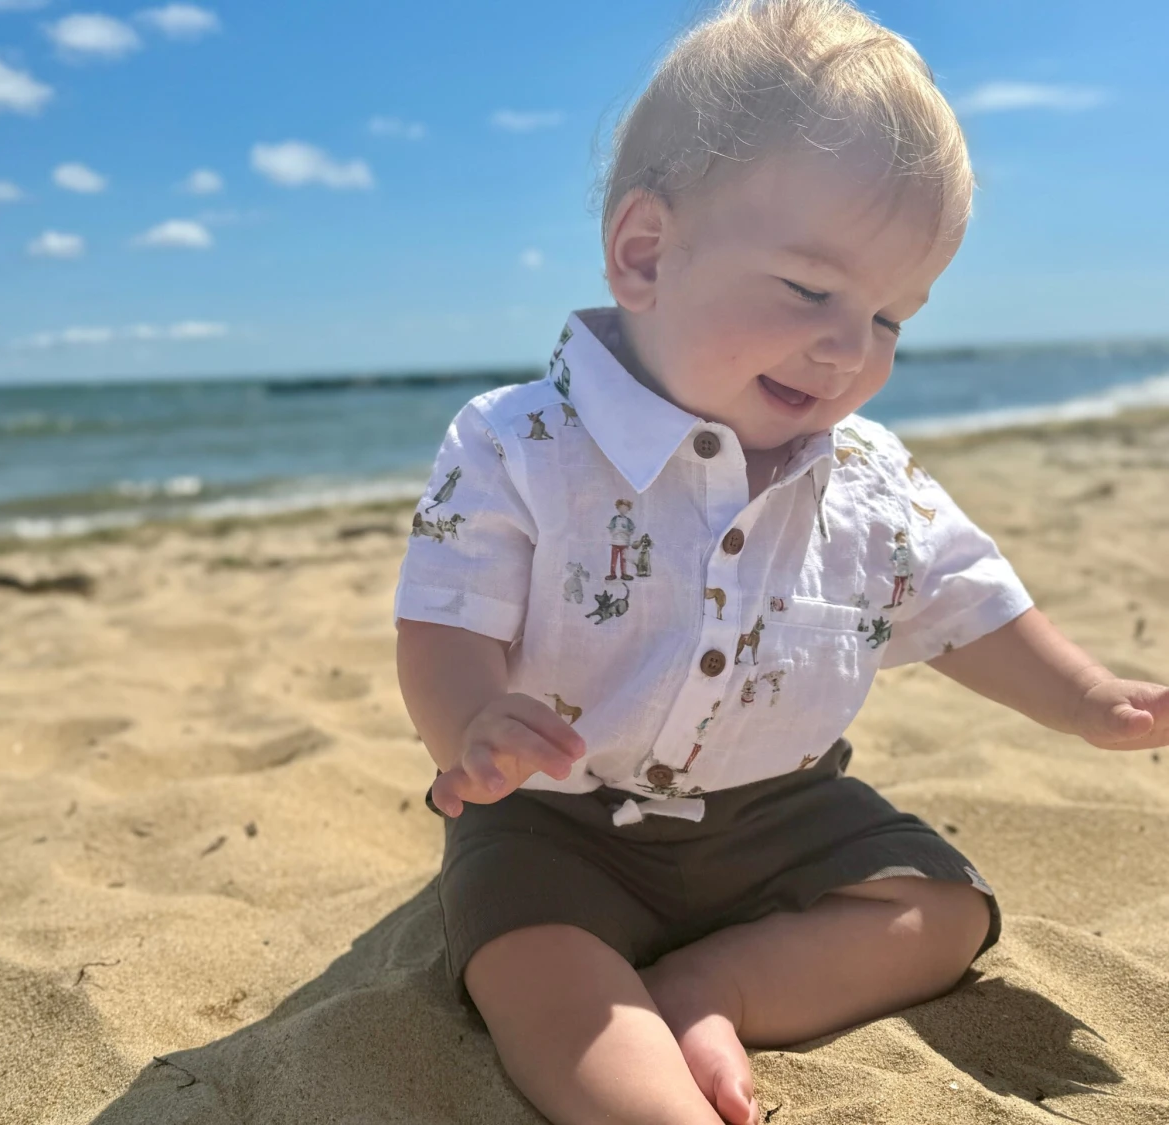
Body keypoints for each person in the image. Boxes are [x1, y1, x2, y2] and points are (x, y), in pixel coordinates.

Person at [392, 3, 1169, 1123]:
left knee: (945, 911)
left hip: (785, 814)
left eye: (891, 317)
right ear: (646, 252)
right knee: (536, 971)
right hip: (558, 819)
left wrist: (1088, 697)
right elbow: (444, 616)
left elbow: (964, 603)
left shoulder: (868, 475)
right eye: (811, 290)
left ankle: (717, 987)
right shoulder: (520, 444)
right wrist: (470, 725)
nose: (850, 348)